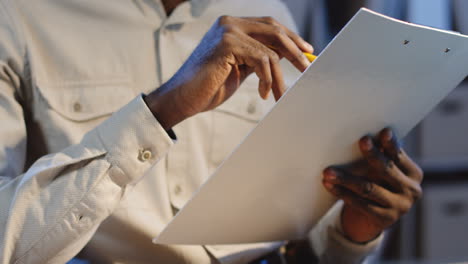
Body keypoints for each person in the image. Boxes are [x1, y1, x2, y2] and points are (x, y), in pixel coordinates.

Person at [0, 0, 423, 263]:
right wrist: (163, 109)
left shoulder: (270, 14)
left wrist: (351, 231)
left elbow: (294, 240)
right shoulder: (20, 15)